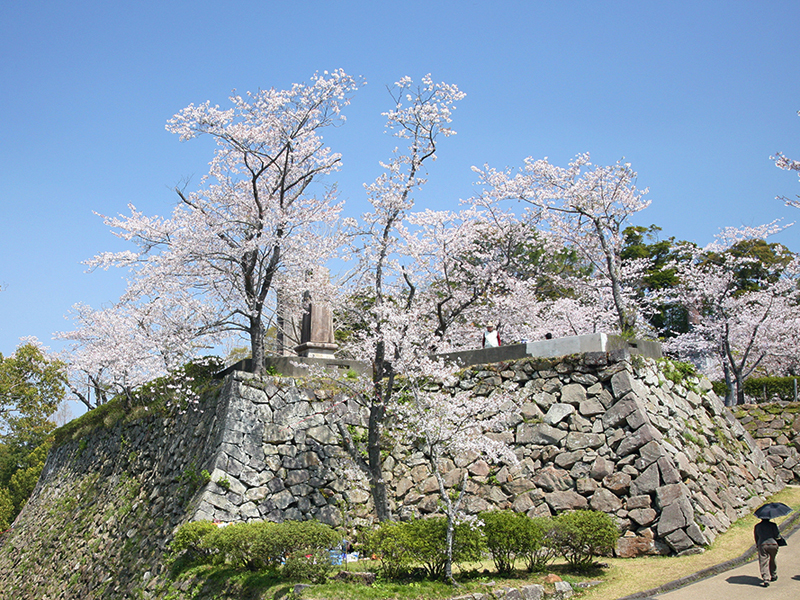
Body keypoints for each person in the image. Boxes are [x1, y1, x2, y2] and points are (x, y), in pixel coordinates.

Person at [754, 517, 783, 586]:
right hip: (773, 544)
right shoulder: (773, 525)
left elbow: (756, 537)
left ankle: (766, 578)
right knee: (772, 559)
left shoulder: (757, 526)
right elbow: (777, 535)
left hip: (762, 544)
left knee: (763, 561)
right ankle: (773, 575)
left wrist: (757, 544)